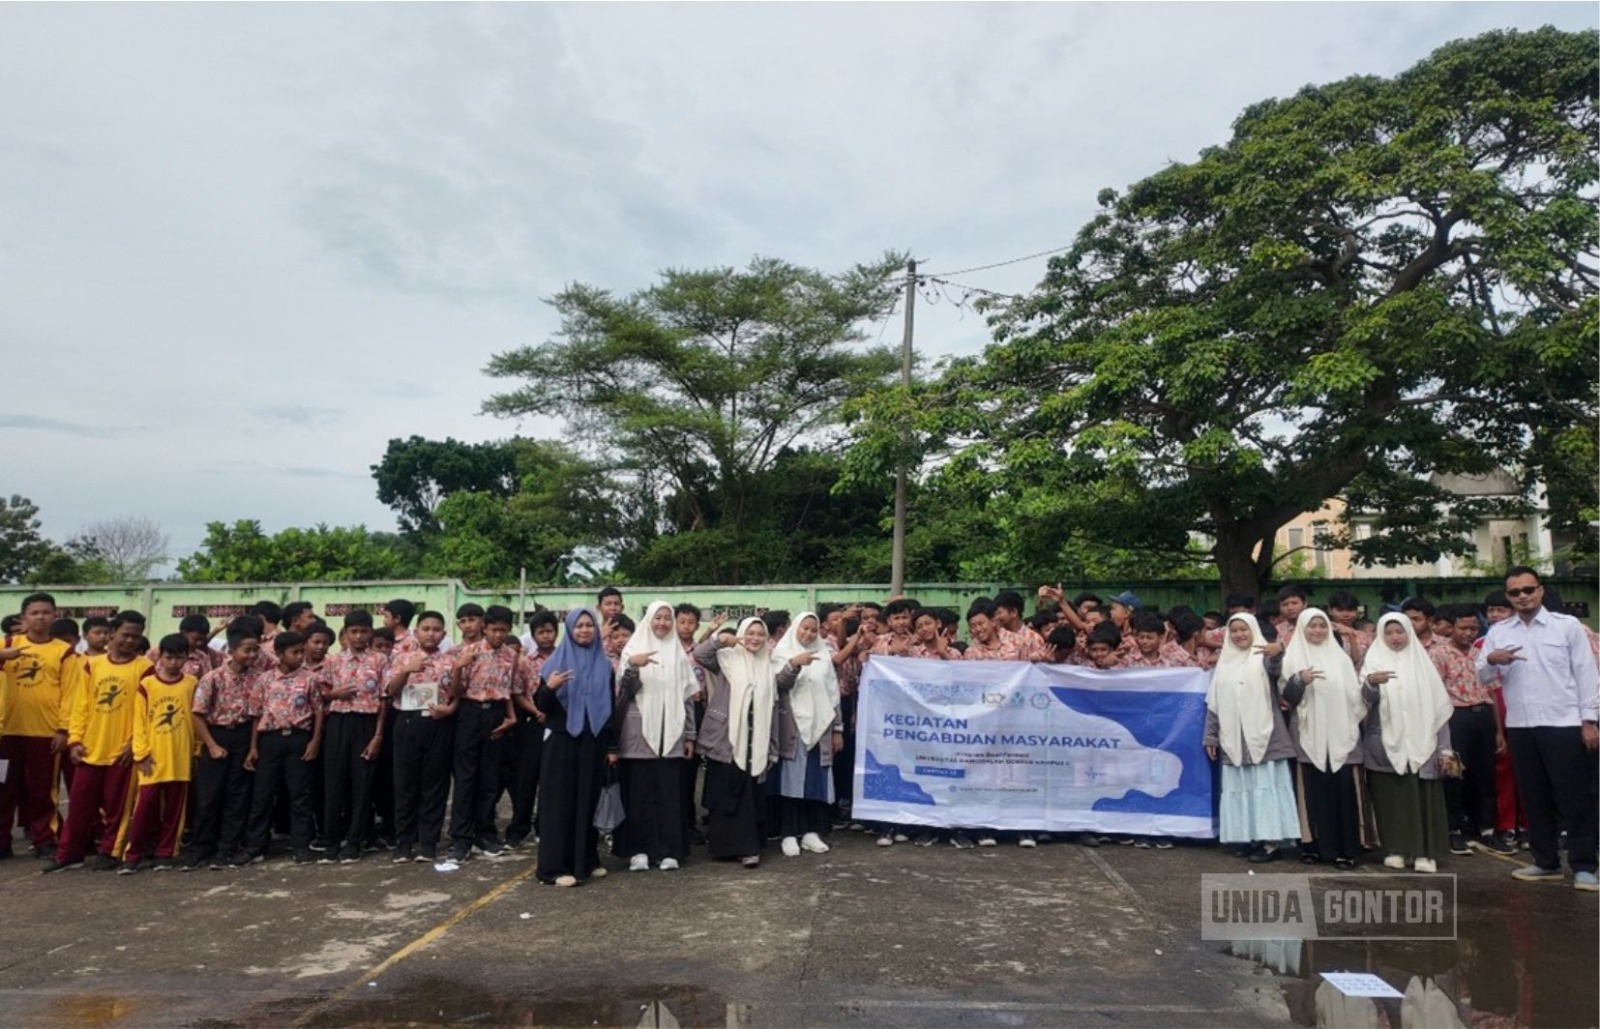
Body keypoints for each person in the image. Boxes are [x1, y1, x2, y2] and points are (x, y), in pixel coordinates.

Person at [1476, 566, 1599, 890]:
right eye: (1515, 593)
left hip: (1564, 721)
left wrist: (1590, 721)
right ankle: (1546, 862)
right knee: (1535, 797)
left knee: (1574, 798)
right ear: (1508, 596)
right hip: (1522, 724)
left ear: (1540, 590)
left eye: (1528, 590)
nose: (1522, 597)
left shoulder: (1567, 627)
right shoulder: (1499, 632)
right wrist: (1493, 661)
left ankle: (1585, 865)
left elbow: (1587, 675)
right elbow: (1483, 677)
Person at [43, 611, 151, 874]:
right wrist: (75, 739)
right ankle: (69, 853)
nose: (130, 641)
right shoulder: (92, 665)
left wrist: (133, 744)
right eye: (125, 635)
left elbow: (146, 713)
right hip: (91, 748)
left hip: (122, 752)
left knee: (117, 808)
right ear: (112, 633)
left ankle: (110, 851)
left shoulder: (144, 668)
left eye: (135, 637)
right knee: (79, 806)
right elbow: (81, 704)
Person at [1360, 614, 1455, 874]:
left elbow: (1440, 710)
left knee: (1424, 797)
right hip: (1385, 745)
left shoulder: (1423, 665)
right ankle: (1396, 849)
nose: (1395, 637)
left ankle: (1426, 852)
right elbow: (1363, 702)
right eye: (1388, 632)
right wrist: (1370, 683)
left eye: (1399, 631)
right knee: (1392, 798)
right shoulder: (1373, 662)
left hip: (1424, 743)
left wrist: (1445, 748)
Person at [1204, 613, 1299, 864]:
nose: (1239, 635)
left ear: (1254, 630)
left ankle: (1271, 842)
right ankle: (1249, 838)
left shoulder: (1263, 657)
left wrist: (1278, 650)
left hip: (1265, 736)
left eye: (1244, 630)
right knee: (1243, 788)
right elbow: (1214, 704)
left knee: (1265, 789)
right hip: (1234, 739)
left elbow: (1277, 669)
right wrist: (1211, 736)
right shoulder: (1223, 663)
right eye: (1234, 631)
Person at [1280, 608, 1368, 869]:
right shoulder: (1291, 658)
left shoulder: (1340, 659)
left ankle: (1348, 849)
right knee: (1312, 792)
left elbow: (1355, 697)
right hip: (1309, 735)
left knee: (1344, 791)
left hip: (1341, 734)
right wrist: (1300, 680)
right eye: (1312, 626)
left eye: (1321, 626)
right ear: (1302, 629)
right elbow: (1288, 697)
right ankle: (1313, 846)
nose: (1317, 631)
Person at [0, 593, 85, 859]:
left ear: (54, 616)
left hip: (45, 734)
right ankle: (2, 842)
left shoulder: (64, 652)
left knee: (42, 791)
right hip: (5, 733)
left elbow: (72, 694)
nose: (40, 617)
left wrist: (64, 730)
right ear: (23, 617)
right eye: (34, 613)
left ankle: (44, 839)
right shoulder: (8, 643)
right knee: (2, 789)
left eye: (46, 612)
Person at [614, 601, 697, 872]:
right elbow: (626, 691)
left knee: (669, 795)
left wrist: (690, 736)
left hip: (671, 735)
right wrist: (634, 666)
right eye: (657, 618)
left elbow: (687, 699)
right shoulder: (632, 650)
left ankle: (669, 850)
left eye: (666, 618)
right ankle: (639, 850)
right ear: (648, 620)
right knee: (639, 795)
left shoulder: (678, 655)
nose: (662, 623)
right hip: (638, 738)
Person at [533, 608, 613, 887]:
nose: (584, 630)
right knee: (560, 804)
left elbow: (609, 708)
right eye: (578, 626)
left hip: (592, 742)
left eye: (589, 625)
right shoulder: (555, 663)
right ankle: (553, 868)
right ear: (568, 629)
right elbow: (540, 707)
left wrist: (610, 746)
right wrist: (550, 687)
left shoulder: (604, 664)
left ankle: (586, 861)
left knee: (587, 801)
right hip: (562, 740)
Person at [693, 618, 779, 868]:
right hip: (727, 739)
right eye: (749, 633)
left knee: (749, 796)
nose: (754, 638)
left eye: (760, 634)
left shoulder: (768, 666)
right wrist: (720, 639)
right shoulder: (727, 660)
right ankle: (725, 848)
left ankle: (749, 847)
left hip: (756, 742)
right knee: (727, 795)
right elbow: (700, 654)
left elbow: (774, 705)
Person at [1433, 604, 1513, 857]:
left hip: (1483, 717)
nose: (1468, 633)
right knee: (1455, 773)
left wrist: (1498, 731)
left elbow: (1491, 691)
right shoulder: (1439, 654)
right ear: (1451, 628)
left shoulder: (1482, 653)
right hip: (1456, 717)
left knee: (1485, 774)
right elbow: (1434, 693)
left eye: (1473, 628)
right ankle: (1455, 829)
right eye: (1463, 628)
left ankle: (1487, 828)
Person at [241, 632, 325, 865]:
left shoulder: (309, 679)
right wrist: (253, 747)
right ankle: (255, 845)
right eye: (294, 652)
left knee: (300, 794)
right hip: (270, 740)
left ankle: (301, 845)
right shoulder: (264, 680)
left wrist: (314, 741)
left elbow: (318, 711)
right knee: (263, 793)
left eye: (301, 651)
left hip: (298, 738)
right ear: (278, 654)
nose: (300, 656)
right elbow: (256, 715)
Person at [446, 606, 521, 862]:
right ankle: (461, 837)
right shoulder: (468, 652)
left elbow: (510, 690)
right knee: (466, 777)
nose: (498, 635)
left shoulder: (512, 656)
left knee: (490, 778)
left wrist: (511, 717)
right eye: (493, 629)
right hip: (470, 712)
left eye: (503, 630)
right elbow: (455, 692)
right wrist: (457, 668)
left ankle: (485, 833)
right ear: (484, 628)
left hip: (497, 714)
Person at [118, 636, 199, 873]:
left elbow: (196, 719)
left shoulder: (192, 683)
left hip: (180, 757)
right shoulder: (148, 685)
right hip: (152, 759)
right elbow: (139, 722)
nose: (174, 662)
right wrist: (141, 753)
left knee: (175, 810)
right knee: (144, 809)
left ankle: (166, 853)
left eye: (179, 657)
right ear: (160, 657)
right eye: (169, 657)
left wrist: (196, 751)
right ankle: (133, 855)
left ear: (186, 657)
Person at [187, 618, 262, 870]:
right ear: (231, 650)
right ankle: (200, 848)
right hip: (216, 736)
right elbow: (197, 713)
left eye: (255, 649)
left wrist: (253, 747)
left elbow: (256, 716)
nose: (252, 655)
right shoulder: (213, 678)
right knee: (208, 796)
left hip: (243, 736)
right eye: (247, 650)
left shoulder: (258, 679)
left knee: (237, 796)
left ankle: (226, 848)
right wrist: (211, 745)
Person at [768, 612, 842, 858]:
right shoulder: (781, 653)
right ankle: (789, 833)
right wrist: (794, 664)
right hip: (793, 727)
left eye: (813, 630)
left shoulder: (824, 657)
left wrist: (838, 729)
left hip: (820, 729)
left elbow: (833, 694)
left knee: (814, 781)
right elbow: (779, 684)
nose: (809, 634)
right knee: (790, 781)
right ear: (795, 629)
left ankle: (811, 832)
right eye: (804, 628)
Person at [385, 610, 456, 863]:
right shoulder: (400, 658)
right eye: (426, 628)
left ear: (444, 634)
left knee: (434, 786)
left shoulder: (450, 661)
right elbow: (389, 690)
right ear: (416, 632)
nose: (431, 633)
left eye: (436, 630)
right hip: (407, 721)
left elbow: (457, 694)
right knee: (405, 784)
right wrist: (406, 671)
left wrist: (450, 709)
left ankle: (428, 843)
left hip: (438, 722)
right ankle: (404, 843)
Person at [321, 612, 389, 864]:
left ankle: (354, 841)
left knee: (362, 786)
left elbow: (384, 700)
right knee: (334, 784)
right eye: (354, 632)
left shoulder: (380, 661)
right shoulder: (333, 661)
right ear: (346, 633)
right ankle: (331, 841)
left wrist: (378, 735)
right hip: (338, 723)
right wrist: (334, 694)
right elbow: (320, 696)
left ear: (371, 632)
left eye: (363, 631)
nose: (359, 637)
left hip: (367, 723)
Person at [503, 610, 558, 850]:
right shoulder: (524, 662)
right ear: (533, 635)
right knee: (526, 779)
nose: (546, 636)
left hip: (557, 726)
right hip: (532, 724)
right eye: (541, 632)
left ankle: (544, 826)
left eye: (550, 631)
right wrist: (536, 712)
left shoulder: (564, 658)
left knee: (551, 779)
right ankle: (518, 827)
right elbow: (517, 692)